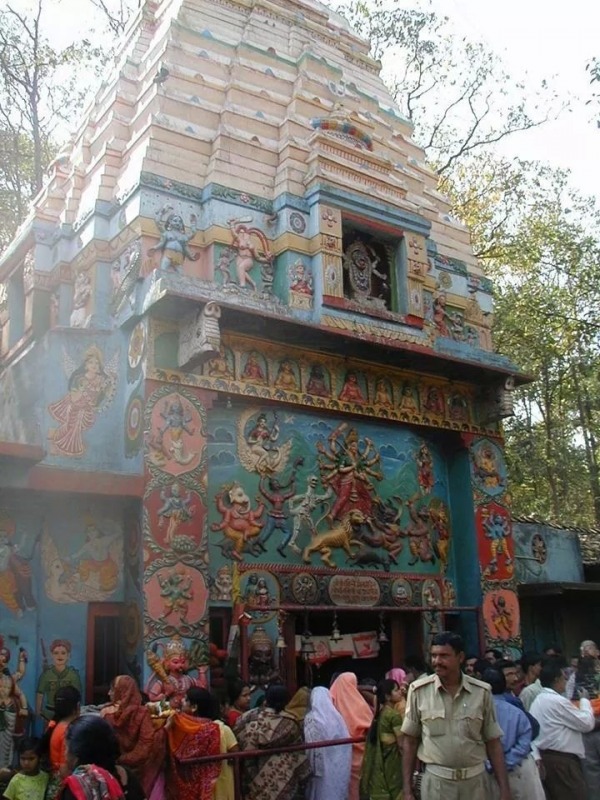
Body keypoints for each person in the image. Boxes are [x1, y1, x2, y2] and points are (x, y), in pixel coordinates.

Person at [401, 631, 511, 800]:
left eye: (444, 656)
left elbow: (493, 742)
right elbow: (410, 741)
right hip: (437, 784)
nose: (437, 661)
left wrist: (505, 789)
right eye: (434, 656)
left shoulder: (481, 692)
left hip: (476, 784)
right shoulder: (418, 691)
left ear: (460, 657)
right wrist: (407, 790)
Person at [529, 658, 595, 800]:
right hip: (562, 762)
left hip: (548, 759)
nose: (566, 680)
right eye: (563, 678)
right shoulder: (555, 701)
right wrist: (584, 701)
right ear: (556, 679)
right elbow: (586, 723)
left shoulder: (539, 700)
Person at [234, 684, 309, 800]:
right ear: (287, 701)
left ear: (266, 698)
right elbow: (297, 752)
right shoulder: (290, 723)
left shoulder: (247, 717)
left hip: (249, 773)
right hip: (280, 778)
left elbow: (238, 736)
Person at [481, 669, 545, 800]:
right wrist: (506, 763)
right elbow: (524, 743)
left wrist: (491, 765)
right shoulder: (517, 712)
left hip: (487, 774)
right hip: (516, 771)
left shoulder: (477, 713)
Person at [101, 675, 165, 797]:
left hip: (112, 770)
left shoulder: (106, 713)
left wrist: (118, 760)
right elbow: (145, 746)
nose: (109, 693)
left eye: (113, 690)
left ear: (122, 692)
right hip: (137, 772)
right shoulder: (142, 713)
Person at [62, 715, 144, 800]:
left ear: (77, 754)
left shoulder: (76, 789)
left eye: (66, 747)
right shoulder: (127, 776)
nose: (65, 754)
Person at [165, 687, 224, 800]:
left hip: (183, 779)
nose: (182, 700)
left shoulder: (176, 723)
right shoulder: (212, 728)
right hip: (203, 782)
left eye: (186, 699)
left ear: (194, 707)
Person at [330, 673, 373, 800]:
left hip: (342, 756)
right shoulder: (360, 705)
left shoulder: (332, 703)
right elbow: (369, 726)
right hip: (362, 755)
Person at [304, 686, 351, 800]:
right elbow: (346, 742)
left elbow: (310, 746)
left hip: (319, 767)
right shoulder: (337, 717)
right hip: (336, 765)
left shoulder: (311, 718)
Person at [359, 678, 404, 800]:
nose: (400, 692)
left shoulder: (381, 713)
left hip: (382, 762)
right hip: (392, 764)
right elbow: (402, 746)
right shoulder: (394, 716)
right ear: (388, 696)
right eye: (396, 690)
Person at [565, 647, 600, 799]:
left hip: (584, 729)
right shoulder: (598, 677)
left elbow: (568, 701)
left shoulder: (573, 679)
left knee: (591, 773)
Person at [39, 686, 80, 800]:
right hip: (61, 787)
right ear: (77, 707)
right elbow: (64, 769)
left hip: (54, 781)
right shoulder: (68, 730)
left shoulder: (56, 724)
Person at [36, 640, 82, 725]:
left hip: (68, 716)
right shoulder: (46, 675)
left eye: (63, 653)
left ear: (68, 656)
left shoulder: (73, 675)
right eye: (56, 653)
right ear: (52, 655)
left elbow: (77, 697)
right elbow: (40, 694)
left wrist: (76, 714)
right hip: (49, 714)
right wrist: (38, 712)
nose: (59, 656)